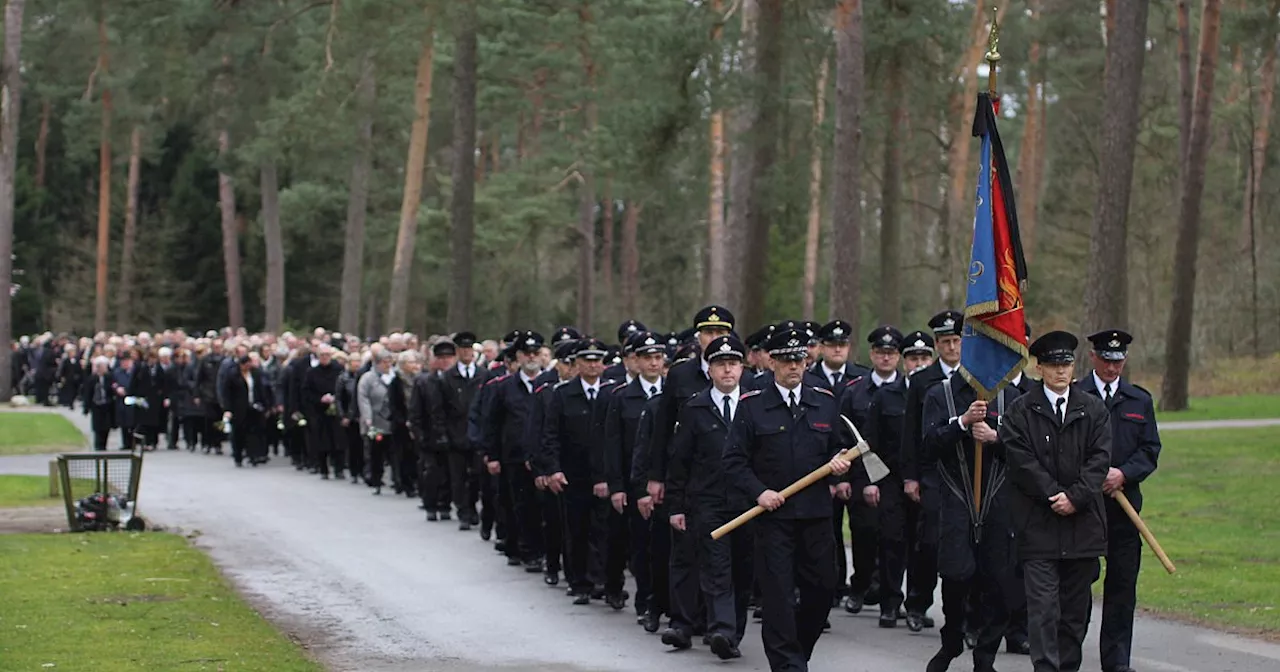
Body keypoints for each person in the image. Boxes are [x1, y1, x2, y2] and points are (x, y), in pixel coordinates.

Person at [723, 326, 856, 672]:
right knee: (779, 596)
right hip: (773, 518)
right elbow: (734, 461)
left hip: (815, 514)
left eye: (799, 359)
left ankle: (798, 651)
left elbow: (837, 450)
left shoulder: (824, 400)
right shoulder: (752, 405)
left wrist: (840, 465)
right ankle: (787, 664)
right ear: (770, 362)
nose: (794, 366)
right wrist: (759, 492)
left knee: (822, 589)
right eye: (786, 360)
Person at [1000, 331, 1112, 672]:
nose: (1061, 371)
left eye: (1065, 364)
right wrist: (1053, 494)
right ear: (1039, 368)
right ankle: (1046, 667)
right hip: (1038, 524)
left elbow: (1100, 459)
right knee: (1044, 608)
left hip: (1082, 525)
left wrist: (1076, 497)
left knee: (1075, 611)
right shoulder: (1021, 410)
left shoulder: (1093, 409)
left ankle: (1068, 666)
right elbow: (1020, 460)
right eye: (1053, 365)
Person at [920, 349, 1025, 672]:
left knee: (1000, 584)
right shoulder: (940, 394)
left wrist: (996, 438)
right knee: (956, 576)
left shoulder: (1013, 397)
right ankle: (952, 639)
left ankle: (986, 655)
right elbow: (928, 444)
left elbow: (1027, 453)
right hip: (956, 500)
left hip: (998, 501)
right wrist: (962, 423)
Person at [650, 305, 734, 648]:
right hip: (688, 476)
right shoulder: (681, 376)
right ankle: (682, 622)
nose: (713, 338)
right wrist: (656, 477)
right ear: (698, 337)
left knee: (722, 559)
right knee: (685, 553)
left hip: (729, 482)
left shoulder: (742, 374)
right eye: (708, 333)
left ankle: (721, 627)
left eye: (720, 333)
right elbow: (662, 430)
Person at [666, 334, 753, 660]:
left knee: (744, 570)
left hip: (748, 501)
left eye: (733, 364)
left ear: (742, 368)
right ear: (710, 370)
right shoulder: (695, 408)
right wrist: (676, 505)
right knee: (717, 568)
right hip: (708, 500)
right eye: (720, 365)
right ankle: (722, 630)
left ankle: (734, 632)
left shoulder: (755, 404)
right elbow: (680, 461)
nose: (727, 371)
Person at [1084, 329, 1162, 672]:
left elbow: (1150, 450)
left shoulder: (1138, 400)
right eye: (1106, 360)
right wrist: (1092, 475)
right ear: (1093, 358)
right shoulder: (1075, 394)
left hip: (1123, 507)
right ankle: (1066, 654)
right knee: (1077, 585)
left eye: (1118, 361)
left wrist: (1123, 474)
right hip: (1082, 508)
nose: (1112, 367)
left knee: (1121, 587)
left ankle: (1116, 662)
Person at [851, 329, 935, 628]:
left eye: (925, 357)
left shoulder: (938, 393)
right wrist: (870, 481)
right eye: (913, 358)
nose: (919, 363)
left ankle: (917, 604)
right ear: (904, 361)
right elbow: (870, 443)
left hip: (927, 481)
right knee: (892, 542)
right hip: (890, 479)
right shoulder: (887, 395)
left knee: (923, 545)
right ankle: (890, 602)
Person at [900, 309, 964, 632]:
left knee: (965, 542)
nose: (952, 348)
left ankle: (964, 613)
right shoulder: (922, 380)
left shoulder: (974, 377)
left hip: (964, 473)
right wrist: (910, 475)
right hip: (932, 471)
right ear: (936, 344)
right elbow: (911, 431)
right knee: (929, 541)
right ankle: (917, 602)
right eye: (946, 342)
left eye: (957, 341)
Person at [541, 337, 614, 605]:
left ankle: (600, 580)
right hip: (573, 474)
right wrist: (553, 469)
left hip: (604, 474)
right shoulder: (563, 394)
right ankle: (579, 581)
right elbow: (551, 435)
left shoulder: (611, 393)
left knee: (604, 530)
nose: (593, 365)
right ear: (577, 363)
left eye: (597, 360)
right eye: (587, 360)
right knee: (576, 529)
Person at [836, 324, 902, 614]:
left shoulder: (909, 390)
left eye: (891, 353)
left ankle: (890, 595)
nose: (885, 358)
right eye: (880, 352)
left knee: (895, 539)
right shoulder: (855, 391)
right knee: (863, 533)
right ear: (872, 354)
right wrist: (848, 478)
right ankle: (861, 585)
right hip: (863, 474)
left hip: (897, 476)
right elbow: (843, 437)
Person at [602, 331, 666, 624]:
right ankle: (645, 600)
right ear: (635, 361)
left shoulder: (672, 394)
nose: (654, 363)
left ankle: (666, 601)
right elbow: (612, 445)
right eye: (648, 358)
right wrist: (616, 486)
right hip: (634, 481)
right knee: (640, 544)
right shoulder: (621, 397)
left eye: (658, 357)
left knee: (665, 545)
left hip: (666, 483)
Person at [482, 331, 547, 571]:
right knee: (518, 504)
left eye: (536, 353)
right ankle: (523, 549)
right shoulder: (504, 387)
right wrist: (492, 455)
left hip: (542, 457)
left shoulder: (548, 385)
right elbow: (492, 423)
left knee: (542, 507)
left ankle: (540, 550)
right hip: (514, 456)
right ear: (518, 356)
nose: (531, 357)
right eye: (526, 353)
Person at [358, 350, 399, 495]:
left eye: (390, 362)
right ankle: (376, 480)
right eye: (384, 362)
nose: (387, 365)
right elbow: (363, 398)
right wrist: (367, 417)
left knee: (395, 453)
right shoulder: (368, 378)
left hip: (392, 421)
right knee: (376, 452)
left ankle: (398, 480)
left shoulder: (395, 377)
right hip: (376, 421)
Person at [303, 344, 346, 480]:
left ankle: (339, 469)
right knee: (321, 441)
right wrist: (320, 399)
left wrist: (335, 398)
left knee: (338, 440)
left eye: (327, 355)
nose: (325, 358)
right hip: (319, 411)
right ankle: (323, 469)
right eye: (322, 355)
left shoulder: (339, 370)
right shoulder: (311, 372)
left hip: (336, 410)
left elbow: (344, 389)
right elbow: (306, 391)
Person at [223, 354, 272, 467]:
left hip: (254, 407)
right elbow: (227, 394)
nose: (247, 367)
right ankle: (238, 456)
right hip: (238, 408)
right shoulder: (232, 375)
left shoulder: (256, 374)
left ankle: (253, 455)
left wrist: (265, 405)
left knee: (253, 433)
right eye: (245, 365)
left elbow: (261, 390)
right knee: (238, 433)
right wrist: (227, 409)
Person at [81, 356, 115, 451]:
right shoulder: (92, 379)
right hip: (96, 404)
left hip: (107, 404)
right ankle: (98, 445)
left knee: (106, 426)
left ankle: (104, 444)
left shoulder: (109, 377)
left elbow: (112, 390)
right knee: (97, 426)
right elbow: (88, 393)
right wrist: (86, 408)